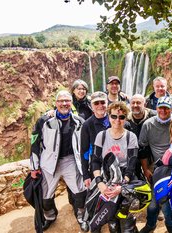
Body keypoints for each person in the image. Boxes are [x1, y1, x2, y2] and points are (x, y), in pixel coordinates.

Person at [29, 90, 85, 231]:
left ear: (71, 103)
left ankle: (81, 216)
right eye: (61, 101)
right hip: (49, 163)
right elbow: (35, 144)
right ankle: (50, 216)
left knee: (80, 192)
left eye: (67, 101)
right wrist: (34, 167)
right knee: (46, 197)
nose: (64, 103)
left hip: (71, 161)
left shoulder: (78, 121)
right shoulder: (44, 121)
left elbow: (85, 144)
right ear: (56, 103)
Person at [91, 101, 139, 233]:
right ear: (108, 116)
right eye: (114, 116)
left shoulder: (131, 137)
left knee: (127, 222)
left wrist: (122, 186)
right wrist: (99, 183)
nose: (117, 120)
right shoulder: (101, 136)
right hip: (107, 178)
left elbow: (131, 164)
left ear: (126, 118)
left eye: (121, 117)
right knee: (112, 221)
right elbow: (95, 161)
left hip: (125, 179)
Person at [139, 96, 172, 233]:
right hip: (157, 170)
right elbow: (142, 149)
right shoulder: (148, 124)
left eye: (167, 108)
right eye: (161, 107)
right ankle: (151, 225)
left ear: (171, 109)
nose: (163, 110)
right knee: (153, 205)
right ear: (156, 108)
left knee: (167, 205)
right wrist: (145, 169)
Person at [80, 91, 110, 189]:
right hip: (96, 166)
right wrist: (86, 175)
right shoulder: (87, 125)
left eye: (102, 102)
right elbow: (84, 151)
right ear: (91, 105)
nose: (100, 105)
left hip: (115, 163)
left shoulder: (115, 119)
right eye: (96, 103)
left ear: (107, 103)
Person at [126, 94, 156, 180]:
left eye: (138, 103)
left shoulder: (154, 116)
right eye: (133, 103)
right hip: (132, 159)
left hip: (151, 157)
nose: (135, 105)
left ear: (145, 104)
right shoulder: (124, 119)